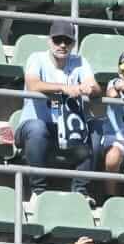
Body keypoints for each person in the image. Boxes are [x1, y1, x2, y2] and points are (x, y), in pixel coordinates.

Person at [21, 20, 103, 193]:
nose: (62, 45)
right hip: (35, 127)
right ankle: (38, 191)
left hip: (68, 130)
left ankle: (81, 191)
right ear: (49, 41)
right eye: (57, 40)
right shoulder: (36, 58)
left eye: (67, 41)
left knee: (95, 127)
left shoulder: (80, 61)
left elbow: (94, 87)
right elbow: (33, 84)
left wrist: (90, 88)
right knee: (37, 128)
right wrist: (63, 88)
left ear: (73, 44)